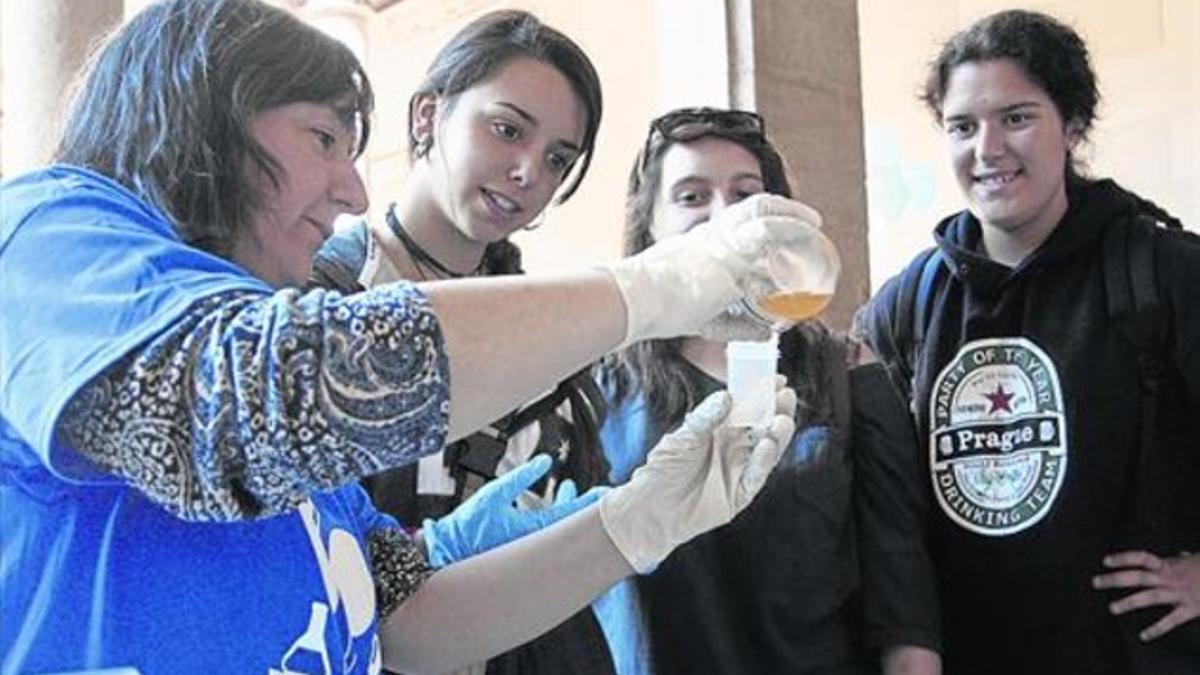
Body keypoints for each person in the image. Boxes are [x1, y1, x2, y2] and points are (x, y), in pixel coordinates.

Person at [0, 0, 827, 672]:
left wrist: (640, 521)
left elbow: (400, 615)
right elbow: (248, 399)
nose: (351, 190)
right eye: (323, 140)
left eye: (558, 158)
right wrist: (659, 286)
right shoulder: (49, 233)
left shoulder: (288, 332)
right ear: (202, 121)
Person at [856, 9, 1200, 674]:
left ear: (1071, 125)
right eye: (963, 125)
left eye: (1016, 117)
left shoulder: (1166, 272)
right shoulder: (906, 305)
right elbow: (882, 503)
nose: (987, 148)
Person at [309, 10, 614, 673]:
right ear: (427, 117)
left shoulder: (552, 334)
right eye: (507, 130)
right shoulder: (319, 302)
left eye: (559, 158)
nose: (529, 171)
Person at [592, 106, 882, 675]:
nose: (724, 216)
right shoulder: (598, 383)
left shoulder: (842, 367)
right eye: (692, 196)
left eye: (745, 194)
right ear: (649, 223)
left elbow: (899, 570)